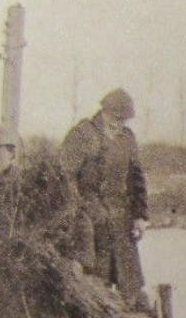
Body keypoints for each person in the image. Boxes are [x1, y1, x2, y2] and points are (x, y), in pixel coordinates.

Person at [61, 87, 148, 303]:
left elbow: (136, 179)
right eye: (114, 118)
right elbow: (65, 176)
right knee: (94, 281)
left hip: (121, 220)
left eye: (123, 120)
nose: (118, 124)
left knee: (130, 284)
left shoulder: (127, 139)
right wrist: (77, 211)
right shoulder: (82, 134)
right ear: (103, 111)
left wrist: (140, 216)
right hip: (90, 216)